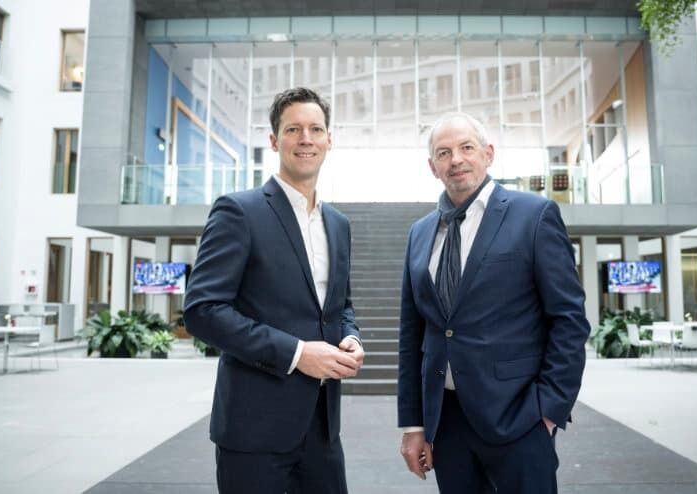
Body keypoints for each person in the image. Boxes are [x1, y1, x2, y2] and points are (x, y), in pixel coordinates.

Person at [184, 87, 364, 494]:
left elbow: (339, 305)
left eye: (316, 129)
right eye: (294, 129)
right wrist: (298, 354)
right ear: (274, 140)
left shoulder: (338, 224)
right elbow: (202, 309)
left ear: (329, 140)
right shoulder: (238, 210)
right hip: (254, 431)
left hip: (322, 430)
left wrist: (350, 337)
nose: (306, 138)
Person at [397, 112, 590, 493]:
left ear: (488, 153)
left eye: (467, 147)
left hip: (519, 416)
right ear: (432, 166)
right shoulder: (419, 234)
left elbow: (569, 319)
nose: (456, 160)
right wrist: (414, 425)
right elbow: (412, 334)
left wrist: (548, 410)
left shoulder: (534, 216)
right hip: (447, 423)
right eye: (444, 152)